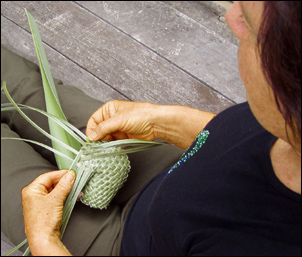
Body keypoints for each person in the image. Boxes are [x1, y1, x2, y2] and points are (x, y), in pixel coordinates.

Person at [1, 1, 300, 256]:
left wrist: (44, 244)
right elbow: (243, 137)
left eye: (251, 27)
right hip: (172, 170)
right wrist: (162, 121)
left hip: (124, 245)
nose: (233, 17)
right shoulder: (283, 121)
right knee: (25, 90)